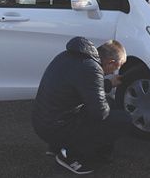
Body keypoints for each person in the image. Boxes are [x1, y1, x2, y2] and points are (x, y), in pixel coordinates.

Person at [31, 36, 132, 175]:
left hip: (43, 121)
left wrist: (107, 84)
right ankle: (69, 155)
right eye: (116, 68)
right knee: (123, 119)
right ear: (110, 62)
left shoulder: (70, 56)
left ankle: (56, 146)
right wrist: (105, 100)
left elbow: (81, 83)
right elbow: (99, 113)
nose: (114, 72)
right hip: (55, 128)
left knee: (105, 103)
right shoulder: (92, 69)